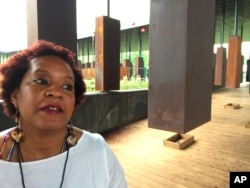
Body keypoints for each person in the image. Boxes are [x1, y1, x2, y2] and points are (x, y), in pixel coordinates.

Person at [0, 40, 127, 188]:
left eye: (67, 86)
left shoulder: (97, 151)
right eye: (41, 81)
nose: (56, 92)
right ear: (15, 96)